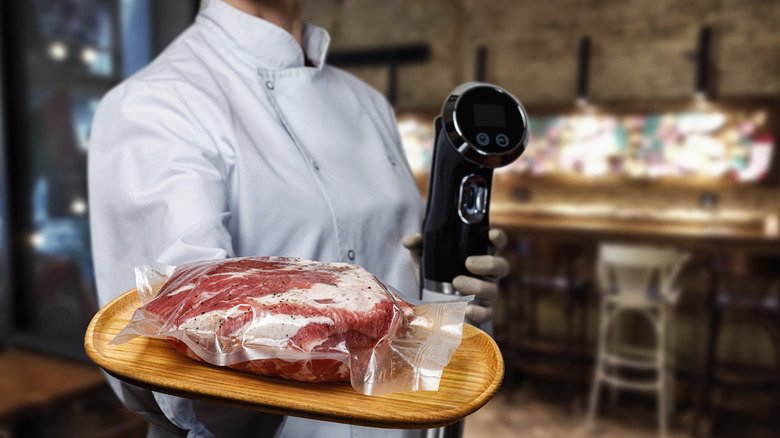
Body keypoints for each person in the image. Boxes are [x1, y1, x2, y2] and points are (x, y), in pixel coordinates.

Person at [87, 0, 509, 437]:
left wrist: (444, 300)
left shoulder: (367, 103)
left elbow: (395, 290)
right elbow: (183, 349)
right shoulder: (154, 103)